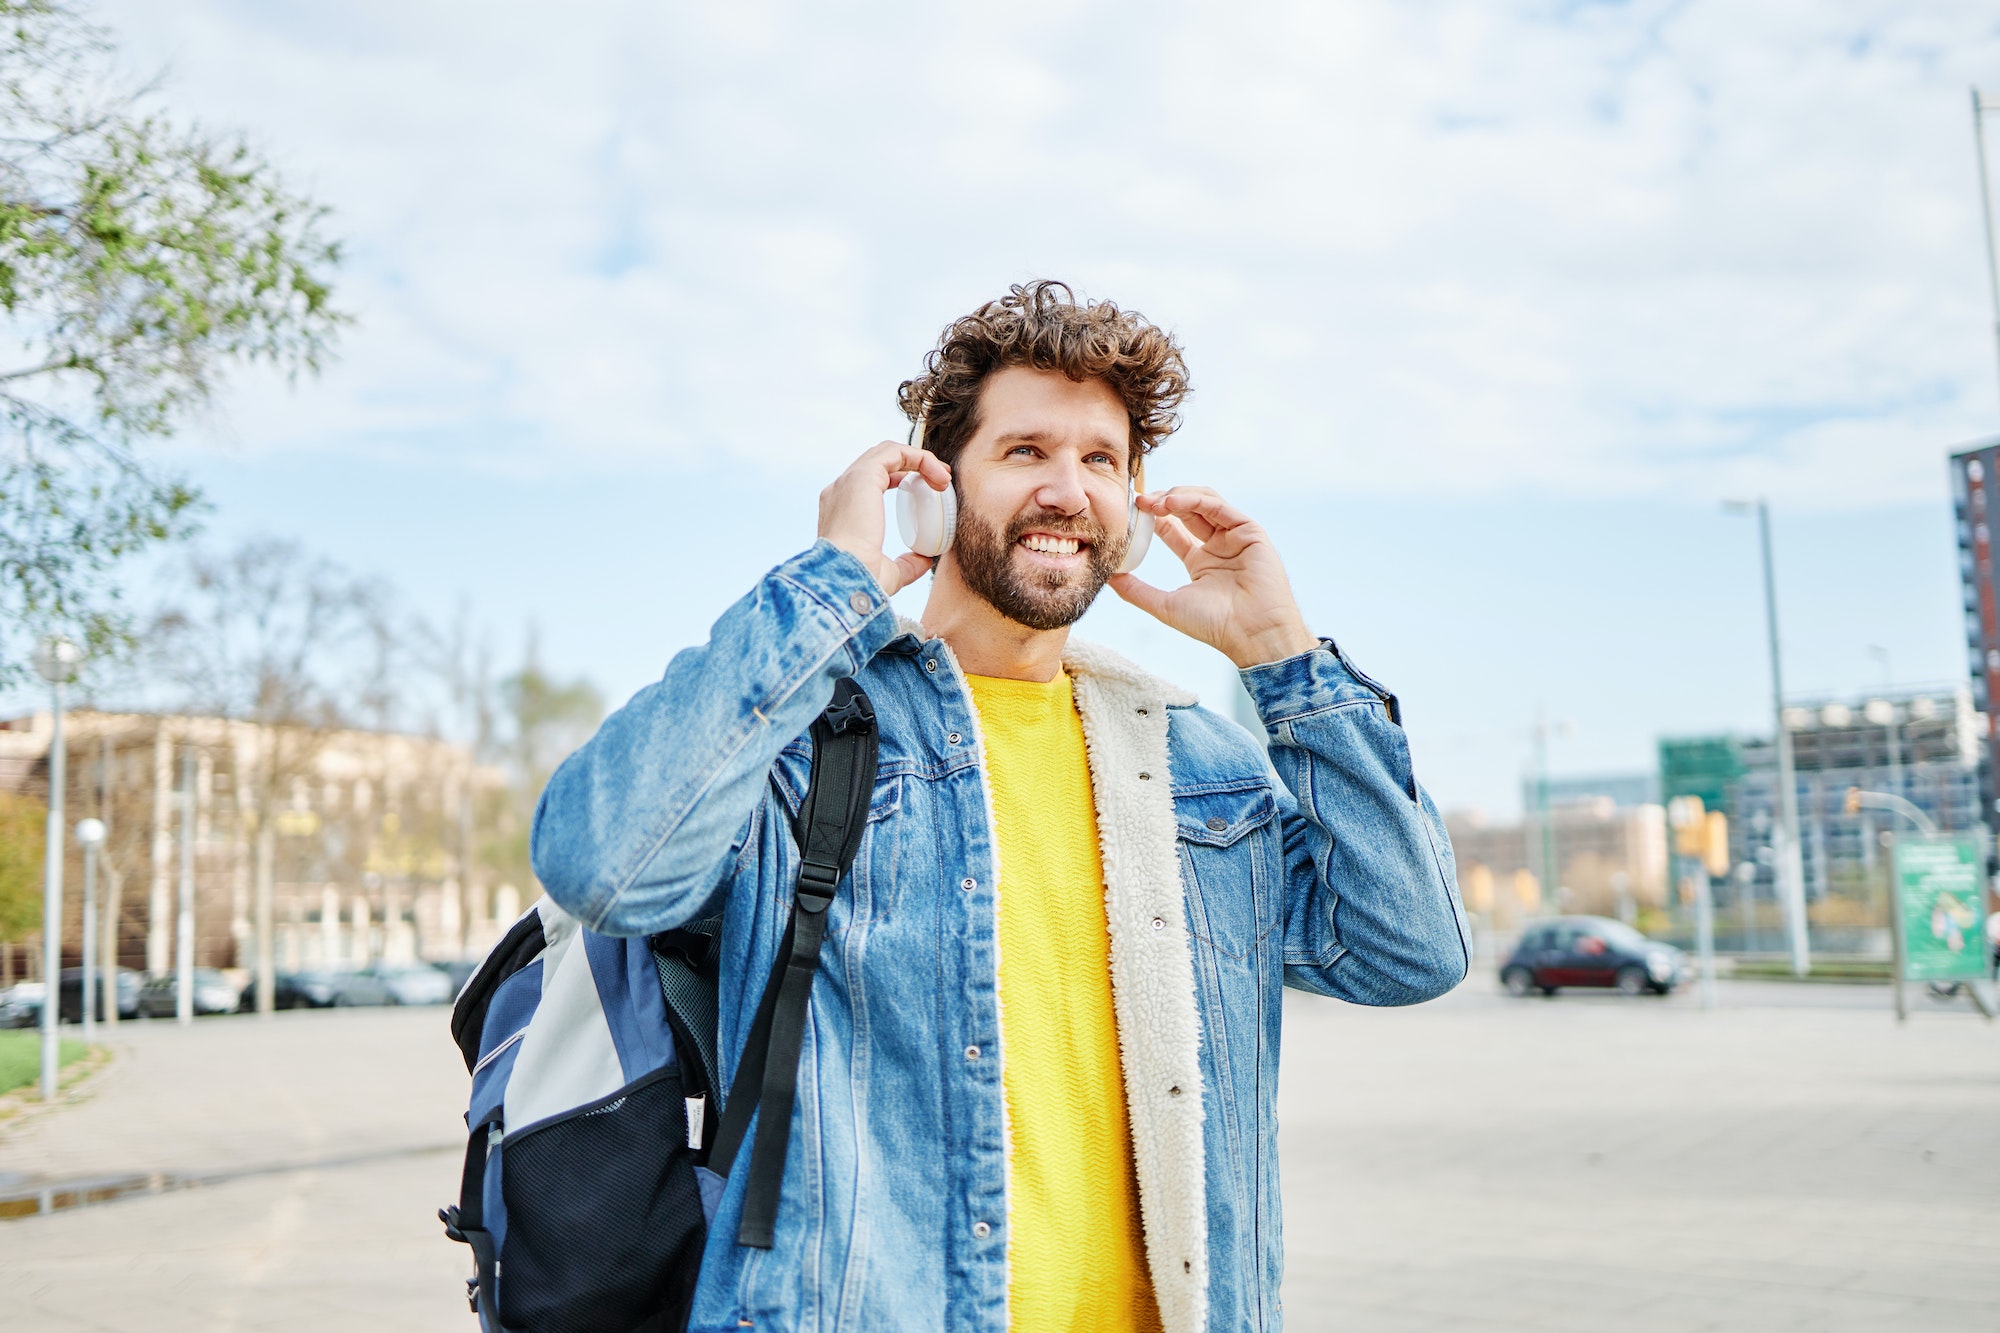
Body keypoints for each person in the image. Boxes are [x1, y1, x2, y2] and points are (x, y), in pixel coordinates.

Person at [531, 280, 1469, 1333]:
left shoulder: (1193, 762)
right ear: (934, 489)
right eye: (1025, 452)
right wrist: (825, 586)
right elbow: (601, 863)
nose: (1067, 490)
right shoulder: (806, 739)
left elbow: (1408, 947)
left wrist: (1280, 656)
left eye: (1100, 461)